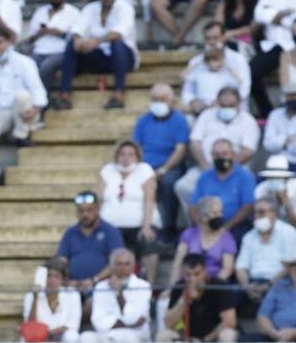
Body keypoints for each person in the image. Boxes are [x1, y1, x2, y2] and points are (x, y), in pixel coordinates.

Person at [59, 0, 137, 112]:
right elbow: (77, 28)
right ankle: (65, 94)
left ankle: (119, 93)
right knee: (72, 43)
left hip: (123, 59)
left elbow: (119, 32)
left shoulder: (126, 8)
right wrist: (77, 39)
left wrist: (96, 41)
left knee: (116, 43)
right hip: (97, 57)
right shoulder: (90, 8)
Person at [96, 138, 161, 284]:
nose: (126, 158)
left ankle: (148, 286)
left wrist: (146, 226)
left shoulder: (144, 170)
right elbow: (98, 198)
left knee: (148, 243)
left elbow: (149, 200)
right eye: (122, 154)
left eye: (131, 154)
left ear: (137, 156)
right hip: (111, 226)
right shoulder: (107, 170)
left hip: (139, 225)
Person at [132, 83, 190, 236]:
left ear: (172, 101)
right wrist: (142, 168)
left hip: (170, 166)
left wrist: (163, 169)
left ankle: (169, 229)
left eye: (163, 99)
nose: (159, 102)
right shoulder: (143, 120)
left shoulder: (179, 120)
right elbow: (136, 146)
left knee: (168, 183)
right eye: (155, 99)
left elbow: (180, 150)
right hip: (145, 166)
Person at [0, 27, 46, 147]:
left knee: (22, 96)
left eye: (0, 42)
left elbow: (37, 89)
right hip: (0, 112)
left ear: (8, 42)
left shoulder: (25, 62)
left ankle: (21, 137)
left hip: (24, 110)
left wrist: (35, 110)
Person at [235, 193, 296, 307]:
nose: (258, 216)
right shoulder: (249, 236)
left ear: (274, 213)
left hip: (280, 282)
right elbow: (240, 267)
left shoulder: (289, 233)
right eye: (256, 212)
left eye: (262, 212)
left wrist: (269, 285)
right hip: (253, 282)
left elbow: (291, 266)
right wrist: (247, 287)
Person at [156, 252, 238, 342]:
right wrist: (183, 301)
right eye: (188, 275)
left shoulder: (220, 286)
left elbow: (230, 322)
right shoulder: (179, 287)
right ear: (183, 274)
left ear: (205, 271)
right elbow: (168, 323)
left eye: (197, 274)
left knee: (228, 334)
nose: (193, 279)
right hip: (186, 337)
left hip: (213, 337)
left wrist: (205, 340)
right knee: (163, 335)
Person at [187, 136, 255, 237]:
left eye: (224, 154)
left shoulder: (245, 176)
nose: (220, 158)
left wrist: (225, 228)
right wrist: (202, 227)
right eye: (216, 155)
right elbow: (193, 205)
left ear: (232, 155)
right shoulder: (205, 177)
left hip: (235, 225)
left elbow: (248, 207)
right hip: (207, 223)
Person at [25, 0, 83, 95]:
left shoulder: (73, 13)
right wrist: (39, 33)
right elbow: (30, 39)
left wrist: (58, 33)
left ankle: (42, 99)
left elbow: (77, 38)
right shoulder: (40, 12)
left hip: (61, 51)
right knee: (29, 65)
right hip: (40, 50)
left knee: (46, 67)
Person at [56, 190, 123, 292]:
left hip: (102, 286)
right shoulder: (70, 233)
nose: (85, 214)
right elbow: (61, 260)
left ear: (97, 209)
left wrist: (94, 280)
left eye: (89, 210)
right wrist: (67, 280)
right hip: (73, 287)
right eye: (81, 211)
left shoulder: (110, 231)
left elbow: (116, 262)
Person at [168, 193, 237, 285]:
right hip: (189, 282)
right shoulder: (189, 234)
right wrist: (171, 288)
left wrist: (208, 286)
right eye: (215, 213)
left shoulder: (227, 237)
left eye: (221, 212)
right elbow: (178, 263)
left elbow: (227, 269)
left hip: (214, 285)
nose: (219, 216)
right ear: (203, 216)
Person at [88, 246, 152, 342]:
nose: (123, 268)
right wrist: (125, 324)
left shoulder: (143, 286)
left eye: (127, 264)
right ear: (112, 266)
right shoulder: (100, 287)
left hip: (136, 333)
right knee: (86, 337)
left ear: (133, 266)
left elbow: (134, 319)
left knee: (123, 337)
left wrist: (119, 293)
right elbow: (97, 319)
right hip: (107, 331)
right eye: (119, 264)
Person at [255, 153, 296, 236]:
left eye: (278, 178)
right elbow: (262, 219)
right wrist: (270, 203)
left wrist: (285, 200)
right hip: (275, 226)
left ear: (287, 178)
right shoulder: (261, 189)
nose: (274, 180)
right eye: (271, 177)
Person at [21, 258, 82, 342]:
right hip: (39, 336)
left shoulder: (72, 294)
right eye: (49, 276)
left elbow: (73, 324)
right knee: (24, 340)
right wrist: (36, 297)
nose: (52, 281)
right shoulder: (31, 296)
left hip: (62, 336)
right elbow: (31, 325)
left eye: (57, 276)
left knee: (72, 336)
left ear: (62, 280)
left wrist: (51, 333)